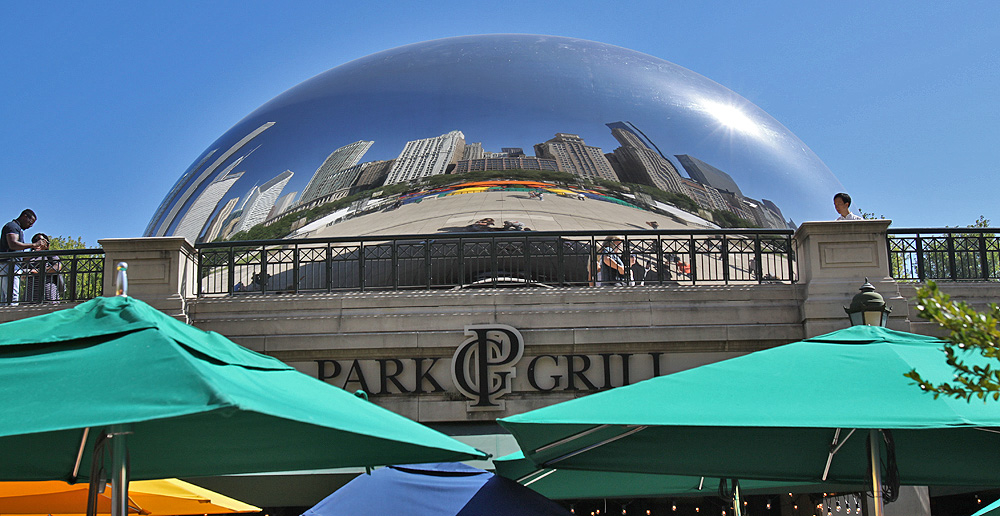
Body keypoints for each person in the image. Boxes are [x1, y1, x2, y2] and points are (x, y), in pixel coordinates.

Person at [1, 209, 41, 305]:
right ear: (25, 216)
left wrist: (34, 251)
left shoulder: (17, 229)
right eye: (30, 222)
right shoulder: (12, 226)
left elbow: (19, 255)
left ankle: (5, 317)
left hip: (11, 264)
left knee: (7, 296)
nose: (30, 226)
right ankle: (10, 317)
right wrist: (33, 245)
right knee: (11, 296)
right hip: (9, 264)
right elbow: (13, 244)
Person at [25, 233, 61, 303]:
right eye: (35, 240)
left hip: (47, 288)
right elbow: (20, 265)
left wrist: (39, 271)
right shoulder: (29, 256)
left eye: (41, 240)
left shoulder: (49, 255)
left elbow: (58, 266)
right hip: (31, 289)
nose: (38, 242)